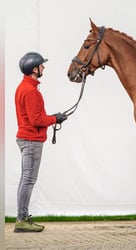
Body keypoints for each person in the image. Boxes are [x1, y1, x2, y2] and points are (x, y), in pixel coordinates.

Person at [14, 52, 68, 232]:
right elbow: (36, 120)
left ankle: (22, 217)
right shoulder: (31, 91)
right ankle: (21, 220)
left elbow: (34, 117)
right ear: (34, 69)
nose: (44, 67)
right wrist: (55, 119)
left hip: (27, 138)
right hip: (31, 141)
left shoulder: (24, 87)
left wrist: (53, 118)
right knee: (28, 179)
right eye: (41, 65)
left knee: (26, 179)